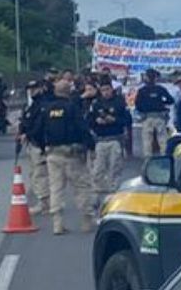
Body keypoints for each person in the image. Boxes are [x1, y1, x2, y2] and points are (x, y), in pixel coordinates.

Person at [25, 76, 94, 233]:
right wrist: (91, 146)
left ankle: (57, 224)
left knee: (56, 188)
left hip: (53, 154)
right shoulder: (72, 108)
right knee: (81, 186)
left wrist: (43, 148)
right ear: (69, 92)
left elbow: (38, 131)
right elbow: (83, 129)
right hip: (73, 154)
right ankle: (86, 220)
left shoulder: (47, 109)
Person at [87, 76, 132, 217]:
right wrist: (97, 121)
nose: (105, 92)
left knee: (114, 169)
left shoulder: (119, 102)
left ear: (112, 89)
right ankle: (97, 199)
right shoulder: (96, 104)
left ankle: (114, 198)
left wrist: (114, 120)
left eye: (107, 89)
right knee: (98, 171)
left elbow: (127, 120)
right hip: (101, 140)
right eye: (102, 90)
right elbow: (89, 121)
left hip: (115, 139)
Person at [132, 69, 175, 156]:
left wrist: (145, 108)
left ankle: (148, 161)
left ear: (146, 77)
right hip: (160, 117)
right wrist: (161, 104)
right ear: (156, 78)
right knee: (162, 140)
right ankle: (165, 159)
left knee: (147, 141)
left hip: (147, 118)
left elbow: (137, 105)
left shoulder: (142, 90)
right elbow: (171, 100)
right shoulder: (160, 89)